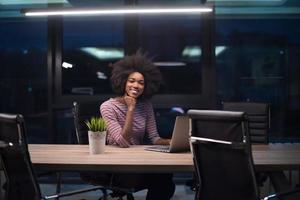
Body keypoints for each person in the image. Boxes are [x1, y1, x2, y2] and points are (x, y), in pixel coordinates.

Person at [100, 51, 175, 200]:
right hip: (117, 166)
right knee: (163, 181)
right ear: (122, 81)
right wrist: (131, 109)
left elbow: (154, 137)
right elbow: (123, 142)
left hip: (138, 161)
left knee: (166, 177)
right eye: (131, 81)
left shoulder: (146, 105)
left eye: (141, 82)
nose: (136, 85)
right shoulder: (107, 107)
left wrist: (171, 142)